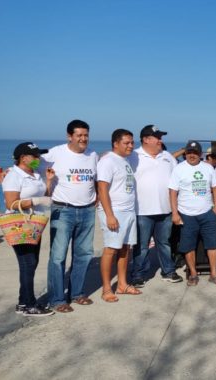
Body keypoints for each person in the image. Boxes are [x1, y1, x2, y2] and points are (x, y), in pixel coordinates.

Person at [42, 120, 98, 313]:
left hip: (88, 210)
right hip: (63, 210)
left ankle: (77, 293)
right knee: (58, 257)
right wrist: (12, 172)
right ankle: (57, 299)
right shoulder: (55, 153)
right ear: (69, 136)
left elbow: (97, 179)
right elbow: (30, 163)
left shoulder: (93, 155)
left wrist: (96, 197)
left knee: (83, 255)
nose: (83, 139)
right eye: (79, 135)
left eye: (86, 135)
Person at [2, 142, 55, 316]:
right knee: (28, 263)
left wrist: (48, 182)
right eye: (35, 156)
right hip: (20, 224)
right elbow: (11, 203)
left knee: (31, 264)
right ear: (23, 158)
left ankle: (23, 303)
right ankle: (30, 305)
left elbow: (44, 196)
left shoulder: (36, 174)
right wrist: (36, 201)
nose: (38, 159)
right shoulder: (13, 176)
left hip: (35, 225)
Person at [127, 125, 183, 287]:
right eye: (157, 137)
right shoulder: (133, 156)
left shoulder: (167, 156)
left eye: (160, 137)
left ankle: (168, 271)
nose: (161, 140)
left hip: (165, 210)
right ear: (145, 139)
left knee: (164, 243)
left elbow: (177, 180)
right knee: (141, 246)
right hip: (142, 210)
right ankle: (138, 274)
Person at [169, 140, 216, 286]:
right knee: (188, 246)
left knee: (212, 244)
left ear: (200, 154)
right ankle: (193, 274)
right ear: (185, 153)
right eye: (189, 152)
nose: (192, 155)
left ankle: (214, 274)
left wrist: (215, 209)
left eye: (195, 152)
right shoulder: (178, 169)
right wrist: (175, 213)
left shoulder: (208, 168)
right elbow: (173, 192)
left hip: (207, 212)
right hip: (186, 214)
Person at [96, 129, 142, 302]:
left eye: (132, 142)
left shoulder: (127, 159)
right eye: (126, 143)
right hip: (114, 211)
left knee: (125, 248)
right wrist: (109, 215)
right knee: (111, 249)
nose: (131, 146)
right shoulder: (108, 161)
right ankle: (107, 289)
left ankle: (122, 284)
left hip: (129, 210)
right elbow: (102, 188)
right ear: (116, 143)